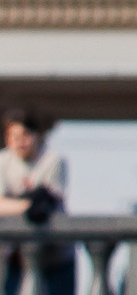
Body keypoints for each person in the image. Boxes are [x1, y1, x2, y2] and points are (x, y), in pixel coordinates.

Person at [0, 111, 74, 295]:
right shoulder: (3, 161)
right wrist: (28, 205)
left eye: (25, 135)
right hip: (18, 257)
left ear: (37, 136)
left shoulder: (53, 161)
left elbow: (49, 203)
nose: (20, 141)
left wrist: (18, 204)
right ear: (7, 139)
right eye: (14, 136)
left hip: (56, 256)